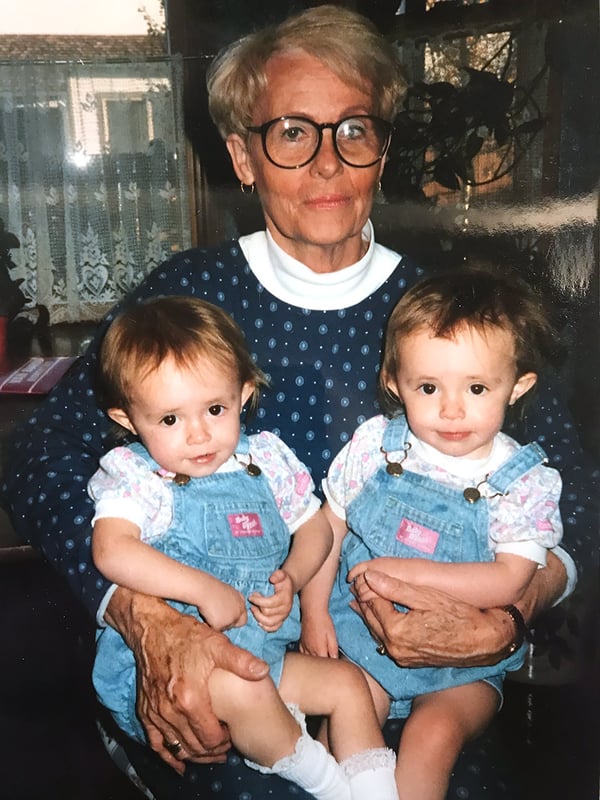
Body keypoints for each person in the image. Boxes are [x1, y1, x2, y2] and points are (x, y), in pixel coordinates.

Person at [1, 6, 595, 799]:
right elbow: (39, 455)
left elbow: (577, 494)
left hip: (424, 687)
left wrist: (514, 608)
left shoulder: (452, 310)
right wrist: (142, 615)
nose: (328, 164)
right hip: (219, 662)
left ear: (381, 150)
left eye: (354, 129)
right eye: (292, 132)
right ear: (244, 156)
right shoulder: (186, 294)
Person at [89, 295, 398, 799]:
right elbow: (113, 551)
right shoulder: (137, 477)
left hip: (264, 653)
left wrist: (294, 578)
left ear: (243, 394)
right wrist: (201, 588)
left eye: (215, 408)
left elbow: (315, 528)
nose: (199, 434)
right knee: (245, 683)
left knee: (348, 685)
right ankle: (330, 786)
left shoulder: (267, 460)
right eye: (169, 420)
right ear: (128, 420)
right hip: (181, 673)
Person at [300, 268, 563, 800]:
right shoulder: (376, 446)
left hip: (464, 669)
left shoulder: (521, 481)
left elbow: (512, 579)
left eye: (476, 388)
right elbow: (328, 526)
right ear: (396, 383)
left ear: (518, 387)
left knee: (432, 736)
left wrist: (406, 572)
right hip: (360, 643)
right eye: (427, 387)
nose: (450, 409)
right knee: (344, 725)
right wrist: (314, 612)